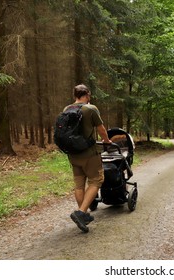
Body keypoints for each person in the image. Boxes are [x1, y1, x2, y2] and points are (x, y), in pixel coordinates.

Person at [66, 84, 111, 233]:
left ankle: (84, 214)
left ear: (75, 95)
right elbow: (101, 129)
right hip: (89, 153)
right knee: (96, 180)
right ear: (87, 95)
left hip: (73, 153)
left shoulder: (67, 109)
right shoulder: (91, 109)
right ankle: (81, 213)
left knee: (79, 185)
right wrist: (107, 141)